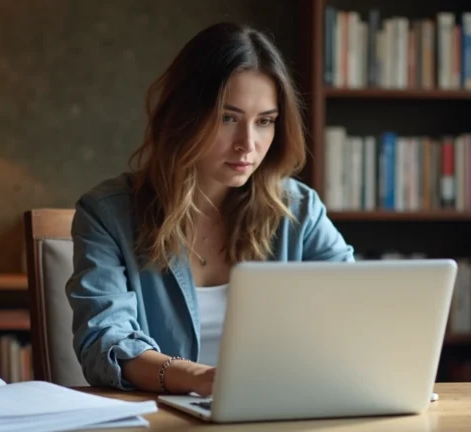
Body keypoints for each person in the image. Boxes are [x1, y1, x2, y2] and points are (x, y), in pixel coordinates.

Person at [65, 22, 354, 397]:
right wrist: (200, 379)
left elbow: (354, 312)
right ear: (184, 116)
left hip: (277, 411)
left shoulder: (299, 211)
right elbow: (105, 342)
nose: (247, 144)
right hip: (161, 416)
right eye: (227, 118)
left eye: (265, 121)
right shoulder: (108, 214)